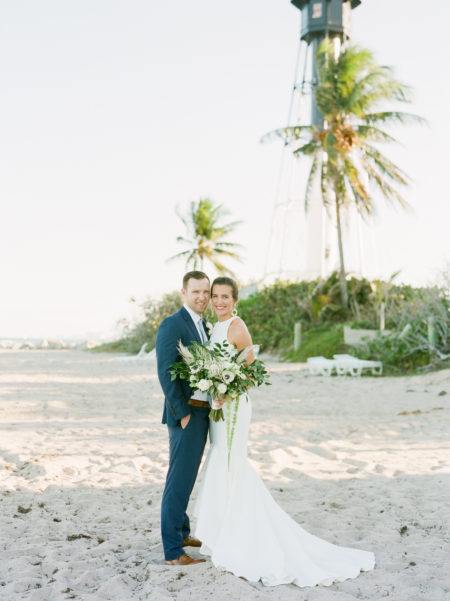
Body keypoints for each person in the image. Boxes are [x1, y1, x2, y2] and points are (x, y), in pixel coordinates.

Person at [194, 276, 375, 587]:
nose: (220, 301)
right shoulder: (215, 328)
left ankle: (240, 536)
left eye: (226, 296)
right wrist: (214, 387)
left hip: (235, 406)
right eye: (215, 296)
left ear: (235, 300)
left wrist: (227, 389)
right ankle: (224, 532)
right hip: (219, 406)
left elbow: (251, 371)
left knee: (231, 462)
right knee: (221, 459)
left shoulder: (237, 326)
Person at [155, 270, 211, 566]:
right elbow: (165, 372)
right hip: (186, 414)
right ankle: (174, 551)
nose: (202, 297)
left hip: (203, 412)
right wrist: (183, 414)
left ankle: (182, 530)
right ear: (184, 293)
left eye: (206, 292)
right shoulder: (172, 324)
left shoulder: (205, 325)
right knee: (179, 479)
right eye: (196, 292)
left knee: (187, 477)